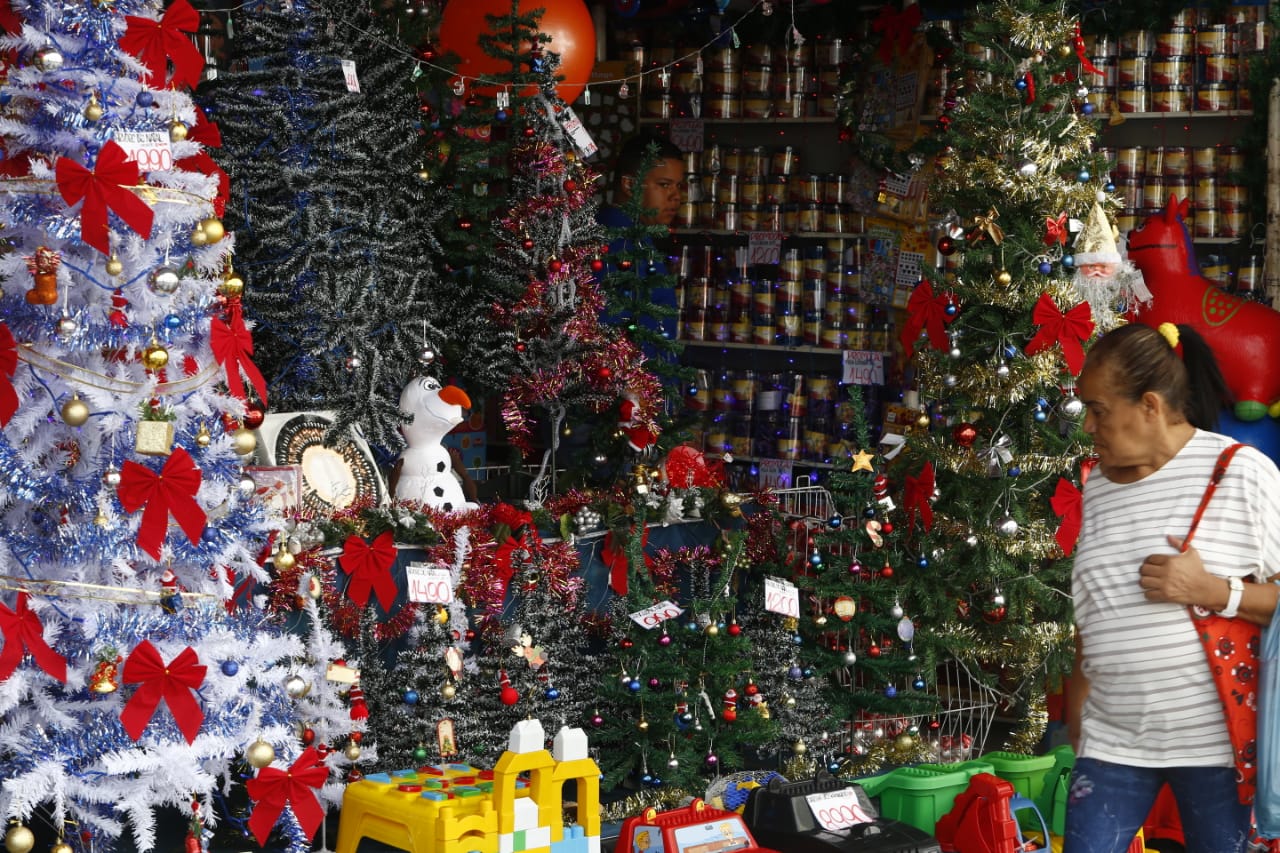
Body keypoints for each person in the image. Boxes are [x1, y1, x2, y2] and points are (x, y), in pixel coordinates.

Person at [1066, 321, 1280, 852]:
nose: (1088, 426)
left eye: (1098, 410)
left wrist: (1213, 591)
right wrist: (1078, 713)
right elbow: (1095, 607)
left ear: (1150, 406)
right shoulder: (1099, 486)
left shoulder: (1241, 472)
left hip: (1218, 750)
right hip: (1111, 743)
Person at [597, 133, 686, 341]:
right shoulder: (616, 245)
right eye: (664, 185)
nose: (676, 197)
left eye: (678, 186)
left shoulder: (638, 239)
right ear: (629, 185)